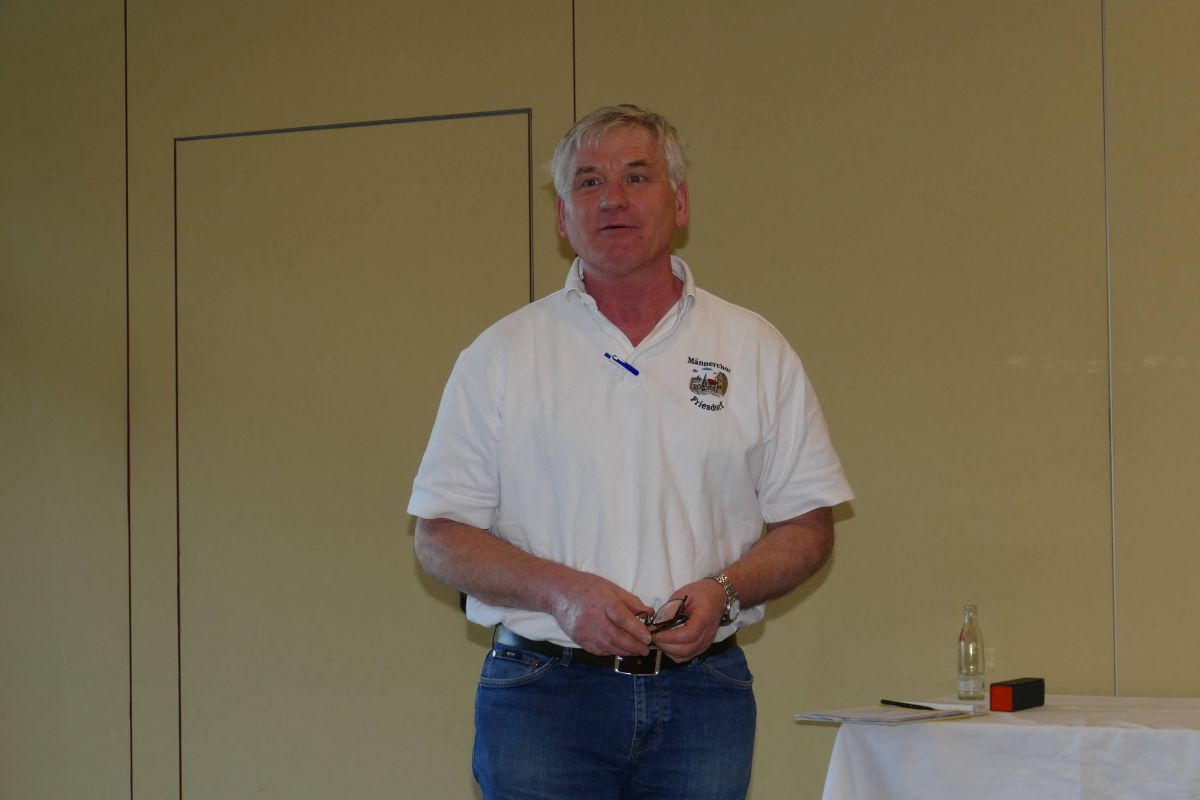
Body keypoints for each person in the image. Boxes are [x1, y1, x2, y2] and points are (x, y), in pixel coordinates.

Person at [409, 104, 853, 800]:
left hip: (704, 693)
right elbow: (438, 537)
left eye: (636, 177)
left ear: (680, 204)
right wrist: (561, 593)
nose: (612, 198)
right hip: (542, 694)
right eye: (588, 182)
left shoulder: (753, 348)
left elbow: (808, 524)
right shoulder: (501, 355)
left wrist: (724, 591)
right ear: (563, 217)